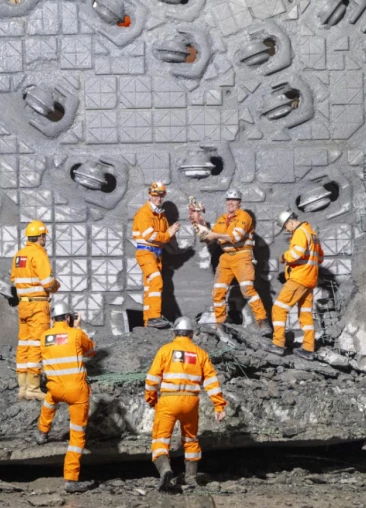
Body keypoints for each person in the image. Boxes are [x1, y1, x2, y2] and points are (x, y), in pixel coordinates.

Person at [144, 317, 227, 491]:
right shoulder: (200, 353)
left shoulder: (166, 350)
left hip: (169, 400)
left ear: (174, 333)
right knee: (190, 439)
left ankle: (165, 470)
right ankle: (191, 478)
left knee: (160, 439)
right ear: (191, 334)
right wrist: (219, 405)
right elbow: (211, 381)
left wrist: (151, 398)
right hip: (191, 401)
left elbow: (152, 378)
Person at [35, 303, 97, 493]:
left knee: (50, 400)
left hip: (55, 387)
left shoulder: (44, 337)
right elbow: (91, 352)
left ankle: (42, 432)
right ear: (68, 318)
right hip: (76, 391)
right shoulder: (76, 334)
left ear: (53, 319)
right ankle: (70, 479)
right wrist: (78, 328)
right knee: (77, 435)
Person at [203, 189, 270, 337]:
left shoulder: (244, 216)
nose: (230, 203)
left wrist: (215, 235)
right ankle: (220, 322)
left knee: (247, 290)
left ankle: (262, 320)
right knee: (218, 292)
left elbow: (236, 237)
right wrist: (200, 223)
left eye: (234, 200)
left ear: (239, 202)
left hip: (242, 256)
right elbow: (209, 240)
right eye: (228, 200)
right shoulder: (222, 219)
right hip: (225, 257)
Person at [11, 220, 59, 400]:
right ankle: (33, 387)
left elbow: (14, 279)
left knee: (24, 343)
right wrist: (56, 285)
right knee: (37, 345)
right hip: (38, 305)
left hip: (23, 305)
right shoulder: (38, 254)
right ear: (41, 237)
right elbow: (47, 282)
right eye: (44, 236)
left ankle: (22, 387)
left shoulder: (19, 255)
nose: (45, 239)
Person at [268, 212, 324, 360]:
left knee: (279, 309)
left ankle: (278, 344)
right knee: (305, 314)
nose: (287, 230)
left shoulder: (300, 232)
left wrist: (283, 257)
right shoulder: (312, 233)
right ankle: (308, 348)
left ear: (290, 222)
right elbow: (320, 258)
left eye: (286, 227)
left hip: (299, 278)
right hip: (310, 280)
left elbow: (295, 255)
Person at [132, 182, 180, 329]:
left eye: (160, 195)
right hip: (145, 253)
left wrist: (171, 235)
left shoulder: (161, 215)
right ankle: (154, 317)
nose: (157, 198)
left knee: (150, 287)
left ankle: (148, 322)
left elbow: (165, 238)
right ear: (150, 195)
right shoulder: (144, 213)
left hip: (157, 255)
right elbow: (150, 236)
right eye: (155, 195)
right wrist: (168, 234)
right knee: (156, 281)